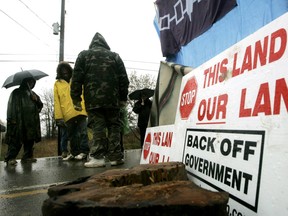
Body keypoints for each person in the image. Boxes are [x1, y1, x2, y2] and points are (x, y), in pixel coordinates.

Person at [70, 32, 129, 168]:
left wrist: (76, 98)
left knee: (98, 125)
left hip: (93, 99)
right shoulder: (115, 56)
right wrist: (122, 98)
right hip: (113, 99)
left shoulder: (84, 55)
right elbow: (123, 79)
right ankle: (116, 157)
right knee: (114, 125)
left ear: (92, 44)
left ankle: (98, 156)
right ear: (105, 44)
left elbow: (76, 79)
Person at [54, 61, 89, 161]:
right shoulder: (57, 84)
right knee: (72, 135)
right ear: (59, 72)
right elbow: (56, 101)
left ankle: (84, 152)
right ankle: (74, 153)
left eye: (66, 69)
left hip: (80, 110)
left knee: (83, 132)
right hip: (67, 113)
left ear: (70, 70)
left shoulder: (76, 79)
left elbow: (84, 93)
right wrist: (58, 117)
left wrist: (87, 108)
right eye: (62, 70)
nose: (64, 72)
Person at [4, 77, 43, 165]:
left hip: (31, 122)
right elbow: (11, 106)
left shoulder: (33, 94)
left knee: (30, 140)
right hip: (19, 121)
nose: (31, 83)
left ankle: (27, 157)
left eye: (33, 82)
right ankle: (10, 158)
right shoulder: (16, 92)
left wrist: (36, 100)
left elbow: (40, 106)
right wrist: (11, 119)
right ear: (25, 82)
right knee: (15, 140)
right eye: (30, 81)